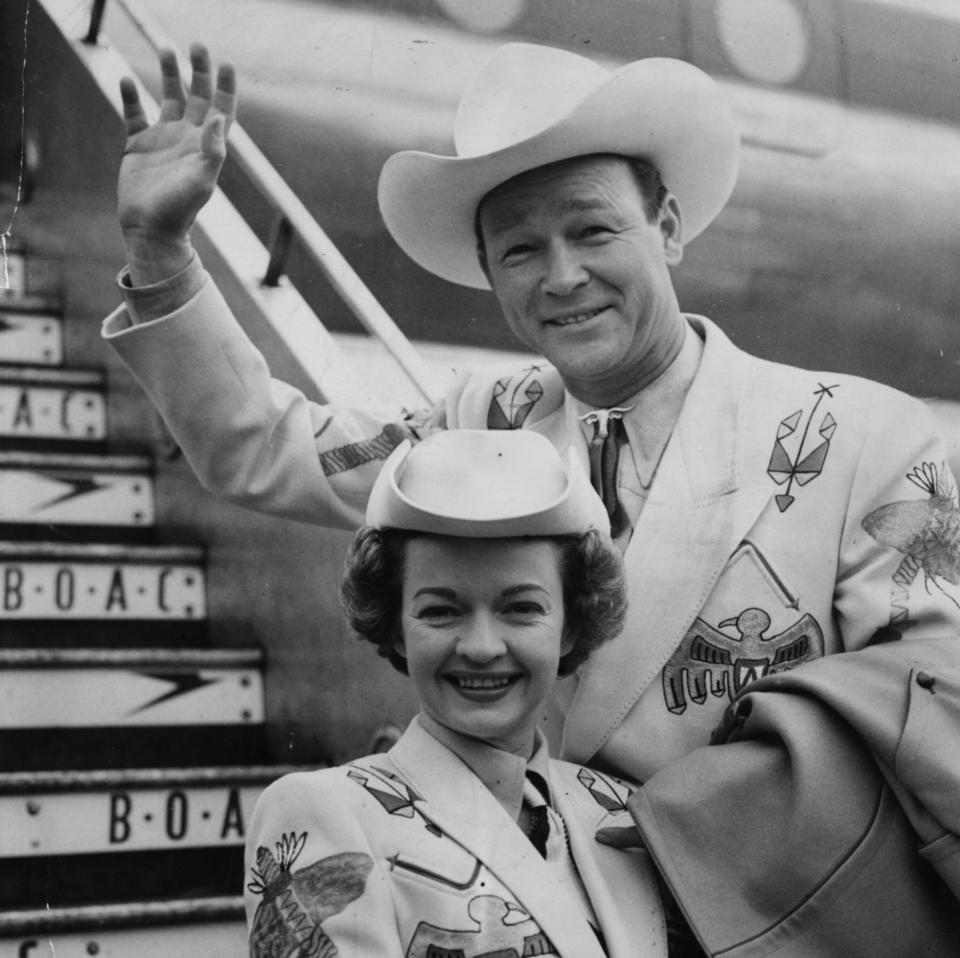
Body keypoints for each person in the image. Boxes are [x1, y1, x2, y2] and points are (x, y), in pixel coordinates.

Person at [103, 42, 960, 784]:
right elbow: (265, 447)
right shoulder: (477, 427)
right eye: (520, 249)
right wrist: (161, 251)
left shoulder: (863, 438)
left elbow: (934, 722)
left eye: (592, 232)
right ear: (488, 271)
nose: (559, 278)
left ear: (666, 226)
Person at [242, 427, 666, 957]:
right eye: (441, 611)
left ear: (572, 626)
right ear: (396, 627)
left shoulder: (617, 809)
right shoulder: (326, 811)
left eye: (521, 608)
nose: (483, 647)